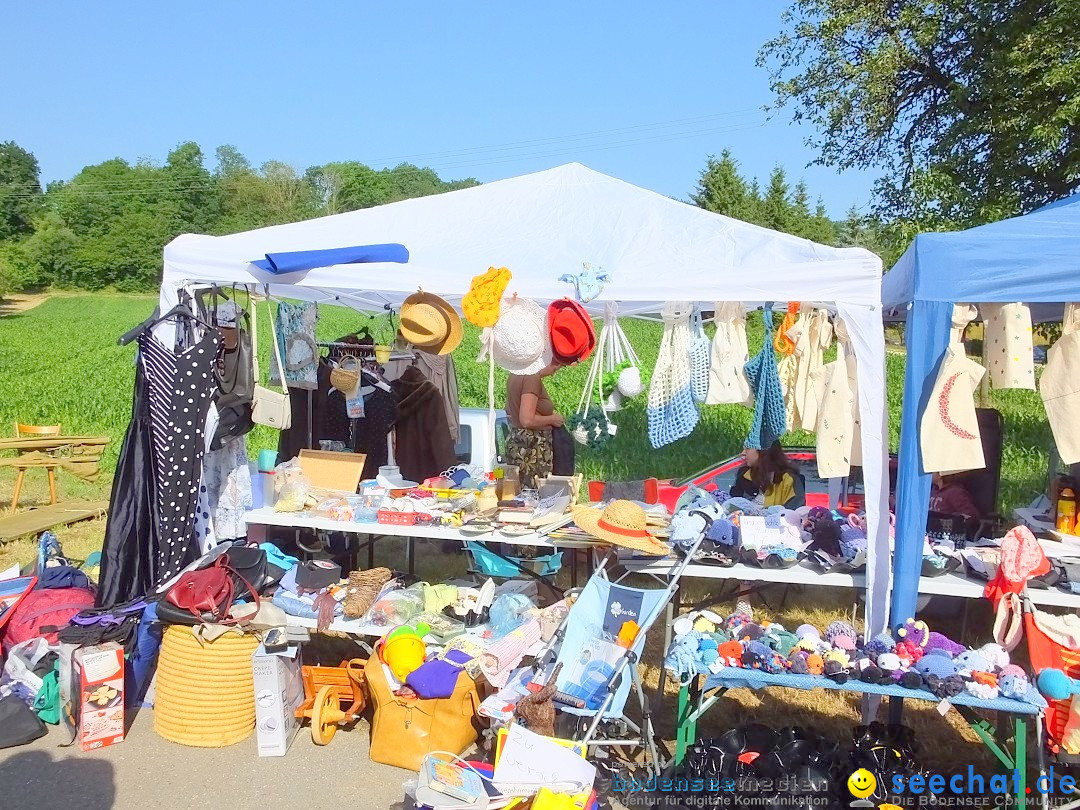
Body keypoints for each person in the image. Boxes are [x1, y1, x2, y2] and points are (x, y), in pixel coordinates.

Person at [505, 362, 574, 487]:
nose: (554, 372)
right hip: (532, 448)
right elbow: (526, 419)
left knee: (519, 494)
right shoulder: (532, 378)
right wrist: (552, 419)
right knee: (535, 494)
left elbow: (509, 410)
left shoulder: (515, 373)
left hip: (517, 442)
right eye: (555, 366)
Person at [729, 441, 805, 508]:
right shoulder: (743, 474)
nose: (743, 453)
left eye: (748, 448)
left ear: (763, 451)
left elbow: (794, 515)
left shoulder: (789, 479)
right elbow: (732, 509)